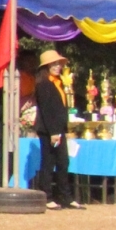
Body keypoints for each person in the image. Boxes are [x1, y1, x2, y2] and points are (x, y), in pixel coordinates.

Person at [35, 49, 77, 210]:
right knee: (48, 162)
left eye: (58, 64)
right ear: (46, 67)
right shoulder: (44, 84)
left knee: (63, 162)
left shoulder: (57, 82)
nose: (58, 66)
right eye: (54, 64)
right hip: (49, 130)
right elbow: (47, 110)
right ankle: (46, 196)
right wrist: (53, 132)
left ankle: (65, 197)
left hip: (58, 129)